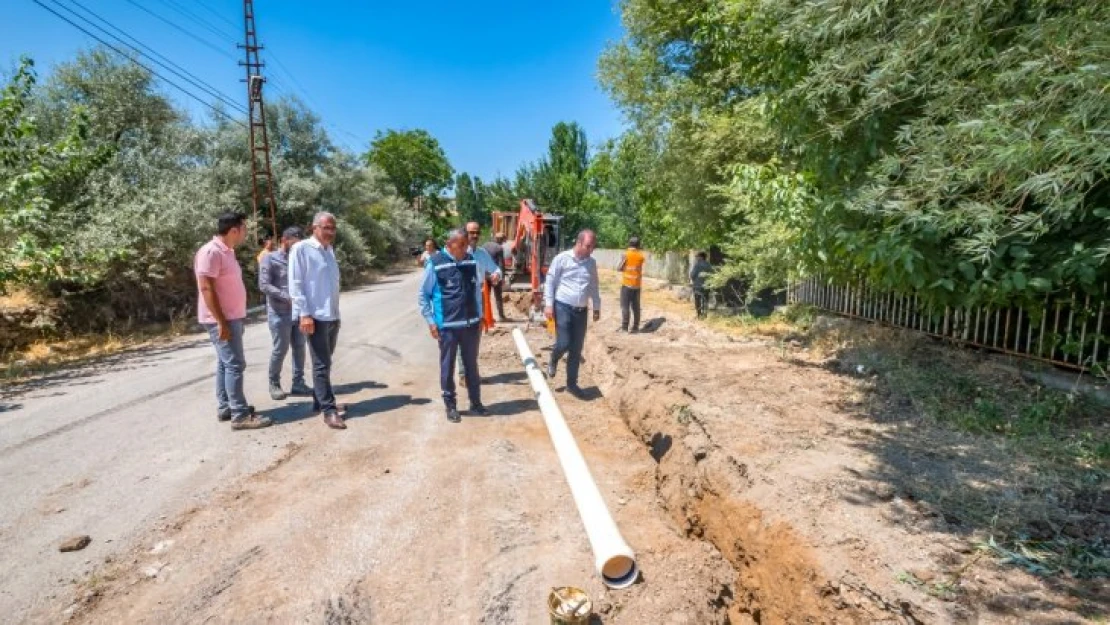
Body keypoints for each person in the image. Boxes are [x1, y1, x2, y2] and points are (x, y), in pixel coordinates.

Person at [195, 212, 270, 430]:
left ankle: (226, 406)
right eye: (244, 229)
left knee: (225, 363)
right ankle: (239, 415)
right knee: (235, 364)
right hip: (221, 319)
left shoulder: (227, 251)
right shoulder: (210, 252)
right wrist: (221, 322)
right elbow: (206, 288)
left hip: (231, 317)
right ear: (234, 230)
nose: (246, 233)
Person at [419, 229, 490, 423]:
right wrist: (431, 322)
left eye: (466, 245)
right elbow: (423, 296)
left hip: (470, 325)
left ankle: (476, 402)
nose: (466, 249)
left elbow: (476, 290)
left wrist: (480, 315)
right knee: (447, 366)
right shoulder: (435, 263)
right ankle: (450, 406)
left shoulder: (470, 261)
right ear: (449, 245)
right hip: (447, 327)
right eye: (461, 246)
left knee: (471, 366)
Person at [289, 212, 345, 430]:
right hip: (314, 316)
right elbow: (295, 283)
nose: (330, 232)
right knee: (321, 364)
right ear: (314, 227)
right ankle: (329, 411)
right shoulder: (301, 249)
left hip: (332, 314)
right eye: (326, 228)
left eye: (333, 228)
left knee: (326, 361)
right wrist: (304, 313)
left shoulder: (329, 250)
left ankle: (318, 400)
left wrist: (336, 314)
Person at [544, 230, 601, 398]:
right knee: (564, 343)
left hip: (581, 311)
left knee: (576, 349)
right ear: (579, 243)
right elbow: (550, 281)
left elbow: (593, 286)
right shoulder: (562, 259)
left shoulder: (591, 263)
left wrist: (596, 307)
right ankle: (554, 357)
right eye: (588, 246)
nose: (591, 250)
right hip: (562, 306)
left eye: (593, 246)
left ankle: (572, 384)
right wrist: (548, 304)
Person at [259, 226, 311, 401]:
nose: (297, 247)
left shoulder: (299, 259)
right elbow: (264, 285)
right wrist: (286, 297)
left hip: (298, 313)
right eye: (293, 243)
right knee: (280, 349)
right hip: (279, 313)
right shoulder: (269, 259)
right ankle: (274, 383)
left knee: (299, 347)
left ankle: (298, 383)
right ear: (284, 240)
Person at [457, 221, 502, 384]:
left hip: (478, 301)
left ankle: (471, 371)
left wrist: (497, 275)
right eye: (471, 232)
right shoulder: (459, 253)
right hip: (462, 301)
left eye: (477, 232)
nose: (474, 235)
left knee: (475, 338)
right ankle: (464, 374)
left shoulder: (482, 254)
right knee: (463, 338)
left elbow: (495, 269)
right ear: (465, 233)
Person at [616, 236, 645, 333]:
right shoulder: (641, 256)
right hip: (637, 285)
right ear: (638, 245)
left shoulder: (626, 254)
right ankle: (636, 327)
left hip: (627, 285)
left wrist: (623, 261)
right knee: (636, 307)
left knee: (625, 306)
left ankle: (624, 328)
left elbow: (619, 268)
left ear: (629, 244)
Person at [483, 231, 509, 321]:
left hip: (486, 274)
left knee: (486, 296)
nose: (503, 243)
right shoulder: (499, 248)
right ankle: (501, 316)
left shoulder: (484, 245)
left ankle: (486, 316)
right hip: (495, 275)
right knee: (498, 296)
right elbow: (501, 264)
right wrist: (502, 277)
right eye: (503, 241)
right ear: (500, 240)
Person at [690, 252, 713, 319]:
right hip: (706, 285)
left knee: (697, 300)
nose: (696, 258)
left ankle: (699, 315)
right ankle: (705, 314)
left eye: (697, 257)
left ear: (701, 257)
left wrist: (695, 281)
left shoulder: (697, 265)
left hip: (697, 286)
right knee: (705, 300)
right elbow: (712, 275)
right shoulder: (709, 265)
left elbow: (692, 275)